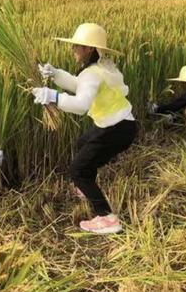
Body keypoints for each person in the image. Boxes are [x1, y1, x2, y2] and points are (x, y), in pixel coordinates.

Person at [32, 23, 138, 235]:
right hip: (123, 125)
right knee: (83, 143)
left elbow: (81, 106)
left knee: (78, 171)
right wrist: (55, 74)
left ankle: (107, 218)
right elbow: (80, 84)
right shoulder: (99, 68)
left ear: (89, 49)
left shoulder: (92, 73)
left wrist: (53, 97)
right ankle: (85, 186)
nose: (73, 49)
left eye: (77, 46)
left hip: (116, 129)